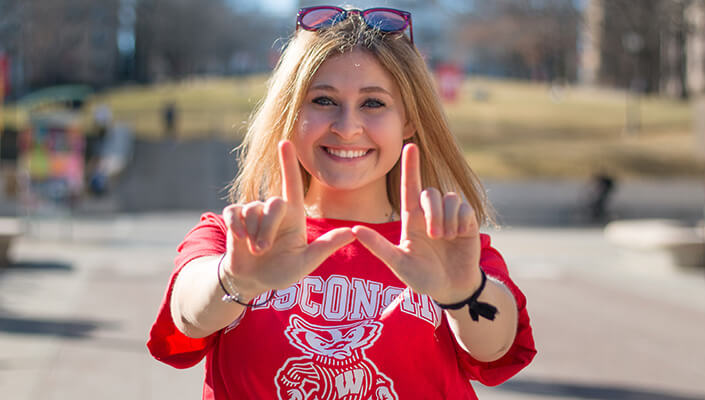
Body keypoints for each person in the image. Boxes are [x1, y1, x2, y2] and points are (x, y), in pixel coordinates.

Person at [148, 5, 536, 399]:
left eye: (373, 103)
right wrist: (234, 281)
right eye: (322, 100)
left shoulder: (447, 249)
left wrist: (464, 293)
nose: (347, 127)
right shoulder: (235, 239)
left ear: (408, 120)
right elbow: (188, 316)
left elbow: (495, 345)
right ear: (289, 112)